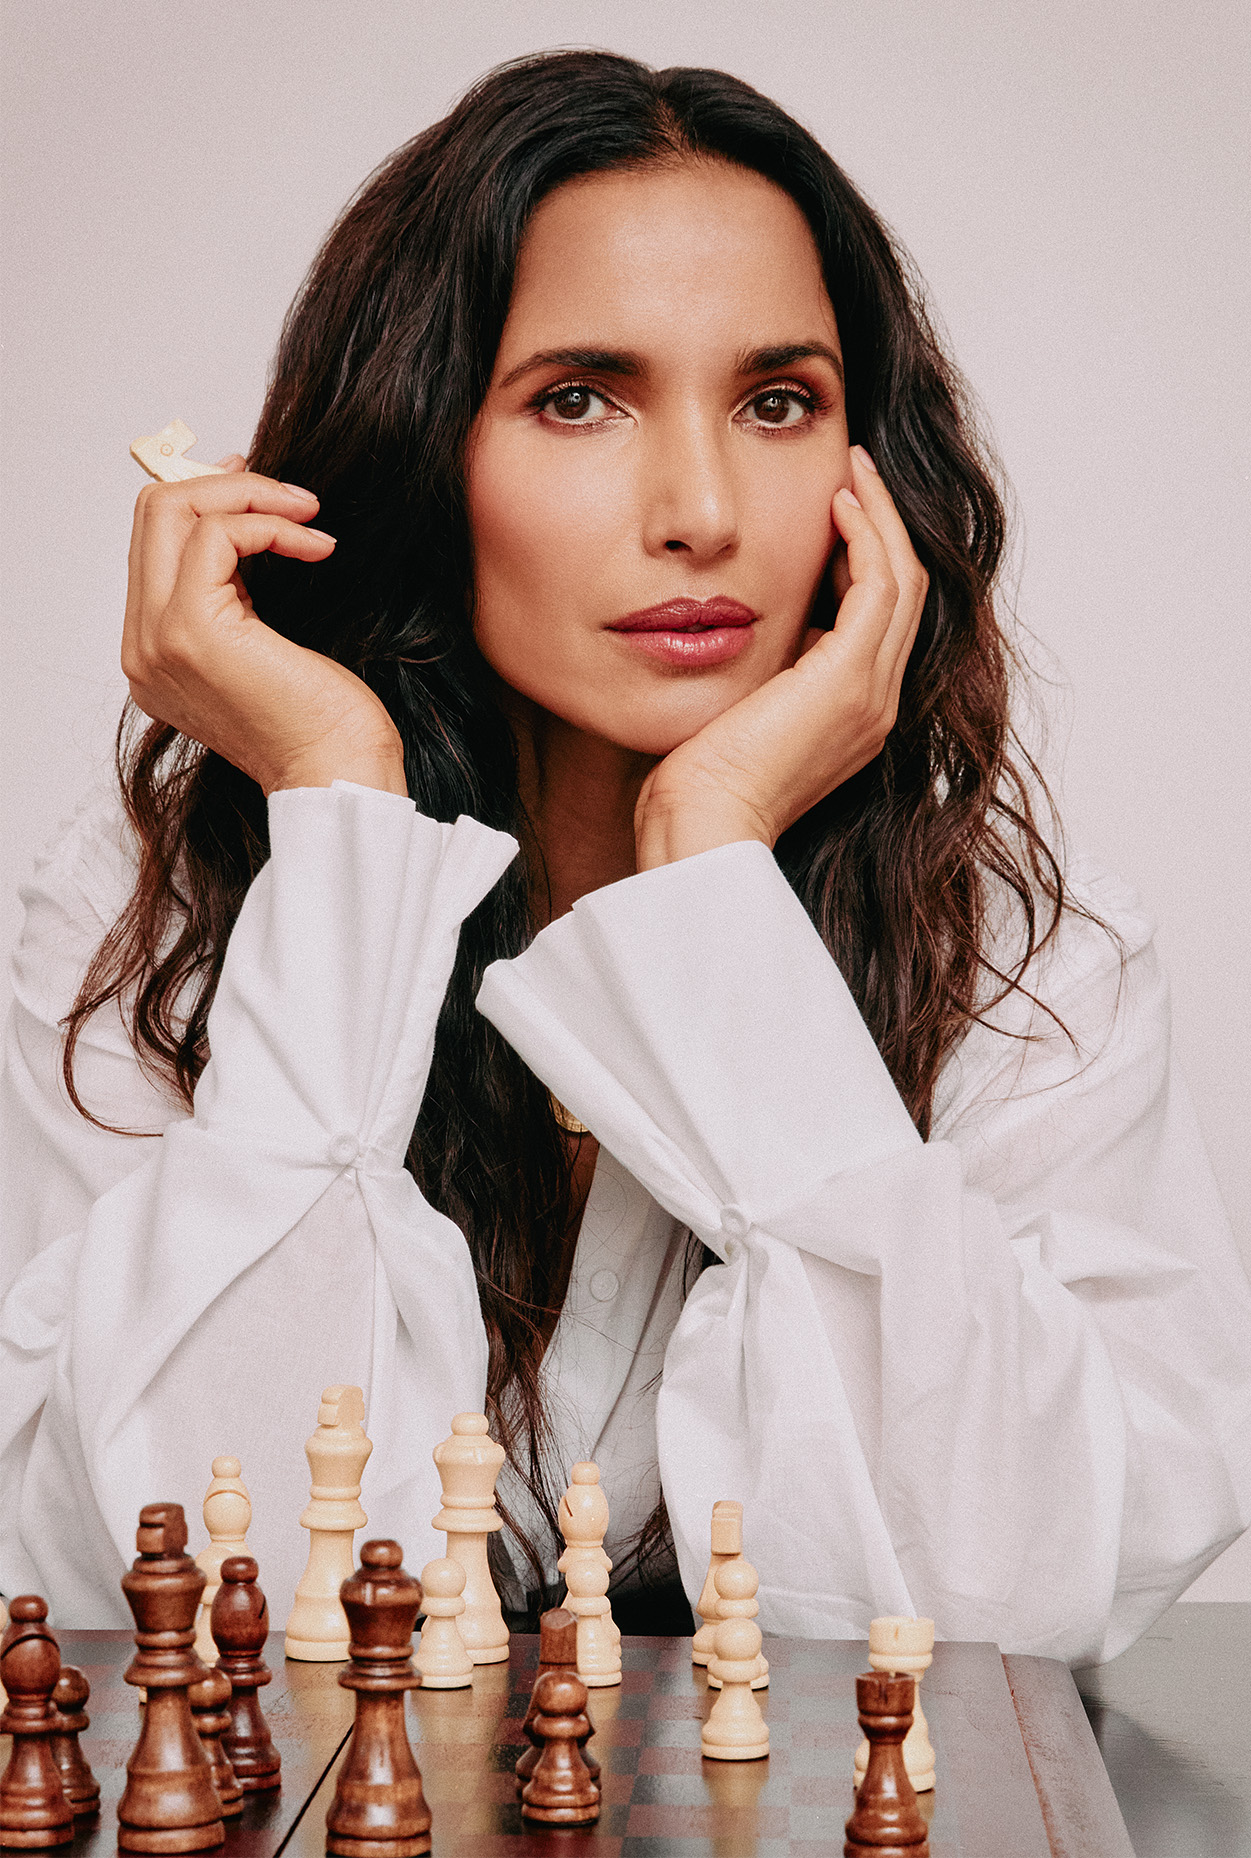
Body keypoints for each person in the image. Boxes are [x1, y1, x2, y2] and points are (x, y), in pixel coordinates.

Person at [2, 50, 1248, 1660]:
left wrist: (712, 875)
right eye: (579, 397)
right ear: (422, 443)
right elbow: (195, 1595)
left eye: (778, 402)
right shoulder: (157, 909)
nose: (702, 510)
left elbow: (1010, 1603)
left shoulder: (1025, 954)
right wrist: (336, 808)